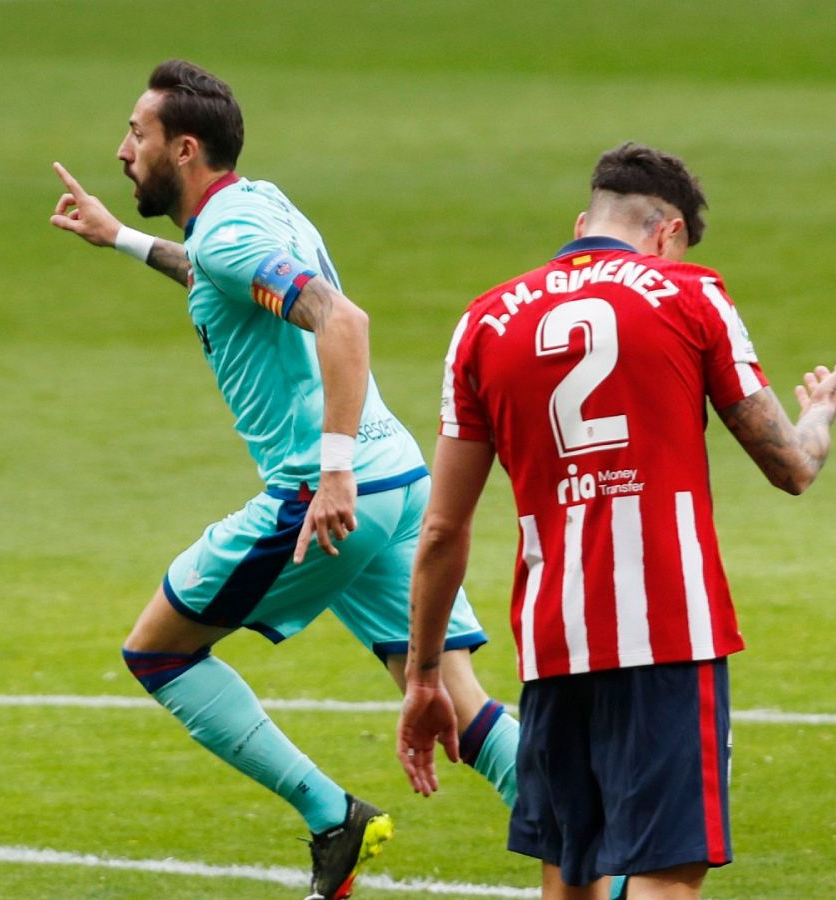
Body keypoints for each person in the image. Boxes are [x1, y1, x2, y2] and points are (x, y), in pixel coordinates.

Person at [51, 59, 522, 900]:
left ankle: (333, 816)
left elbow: (342, 321)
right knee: (455, 697)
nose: (123, 151)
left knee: (158, 652)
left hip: (329, 497)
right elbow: (218, 274)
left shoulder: (228, 234)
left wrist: (332, 472)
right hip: (398, 478)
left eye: (137, 133)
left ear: (184, 149)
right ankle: (592, 846)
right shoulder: (256, 206)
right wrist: (119, 237)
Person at [395, 142, 836, 900]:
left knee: (569, 879)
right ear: (669, 234)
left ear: (584, 223)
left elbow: (443, 531)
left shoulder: (482, 324)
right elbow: (792, 466)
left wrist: (423, 674)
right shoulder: (690, 294)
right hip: (669, 635)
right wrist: (818, 417)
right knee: (664, 878)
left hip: (554, 645)